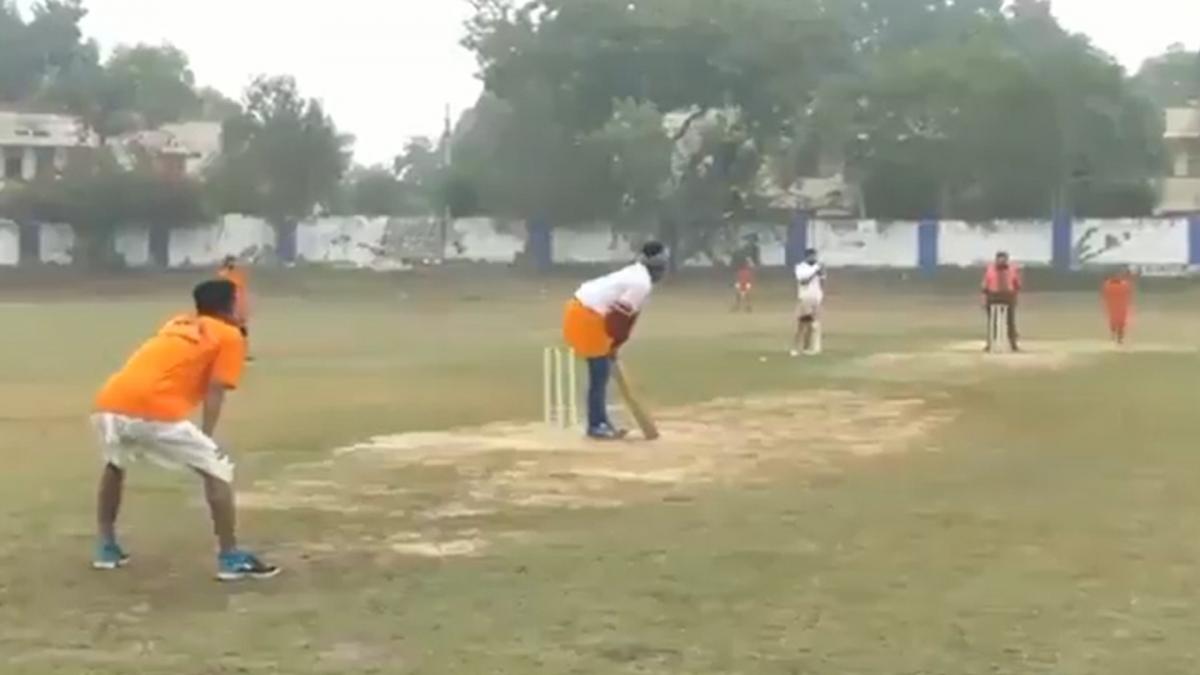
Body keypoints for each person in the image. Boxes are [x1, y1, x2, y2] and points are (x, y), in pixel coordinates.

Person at [91, 279, 279, 581]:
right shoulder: (229, 336)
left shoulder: (178, 322)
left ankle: (106, 546)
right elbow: (216, 390)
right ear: (229, 305)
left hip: (110, 403)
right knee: (216, 470)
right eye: (240, 300)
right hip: (152, 409)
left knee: (116, 463)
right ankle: (230, 557)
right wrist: (207, 435)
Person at [563, 242, 669, 440]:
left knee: (600, 371)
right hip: (586, 315)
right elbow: (618, 319)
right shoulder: (641, 283)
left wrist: (615, 344)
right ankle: (597, 425)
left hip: (586, 312)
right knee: (600, 372)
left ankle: (601, 422)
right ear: (658, 267)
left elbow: (626, 317)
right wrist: (613, 343)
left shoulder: (638, 274)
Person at [981, 251, 1022, 352]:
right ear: (996, 260)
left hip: (1008, 295)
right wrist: (984, 299)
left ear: (1007, 260)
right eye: (999, 259)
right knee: (992, 322)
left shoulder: (1012, 269)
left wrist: (1015, 296)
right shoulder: (990, 269)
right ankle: (990, 344)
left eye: (1004, 259)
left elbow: (1017, 284)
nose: (1001, 261)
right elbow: (985, 285)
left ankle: (1013, 344)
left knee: (1010, 322)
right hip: (993, 296)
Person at [791, 248, 826, 357]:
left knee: (813, 325)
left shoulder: (817, 267)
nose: (814, 258)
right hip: (805, 298)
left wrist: (821, 271)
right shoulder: (800, 267)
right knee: (803, 324)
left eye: (815, 256)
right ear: (807, 257)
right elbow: (803, 281)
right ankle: (795, 348)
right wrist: (814, 271)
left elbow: (822, 280)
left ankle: (807, 348)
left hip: (816, 299)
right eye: (811, 256)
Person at [217, 256, 250, 338]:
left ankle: (240, 338)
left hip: (237, 300)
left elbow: (241, 286)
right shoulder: (223, 273)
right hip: (228, 301)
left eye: (233, 262)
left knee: (239, 321)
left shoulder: (238, 274)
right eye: (230, 263)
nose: (232, 264)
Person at [1102, 268, 1134, 345]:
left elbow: (1106, 288)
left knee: (1114, 323)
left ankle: (1113, 339)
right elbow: (1128, 289)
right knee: (1120, 325)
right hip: (1121, 307)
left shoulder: (1107, 285)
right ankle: (1119, 340)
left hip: (1113, 307)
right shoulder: (1124, 285)